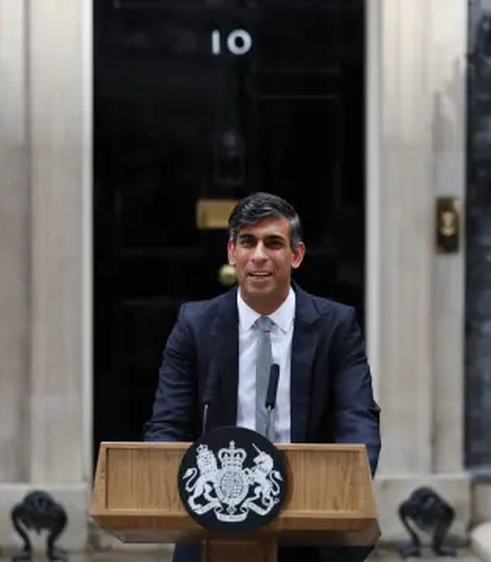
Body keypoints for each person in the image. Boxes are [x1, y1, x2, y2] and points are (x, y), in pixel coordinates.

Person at [144, 192, 382, 562]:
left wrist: (344, 487)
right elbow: (166, 426)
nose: (259, 256)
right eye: (247, 242)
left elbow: (358, 420)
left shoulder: (336, 326)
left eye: (273, 243)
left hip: (312, 526)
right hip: (213, 524)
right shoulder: (195, 325)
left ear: (296, 255)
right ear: (231, 253)